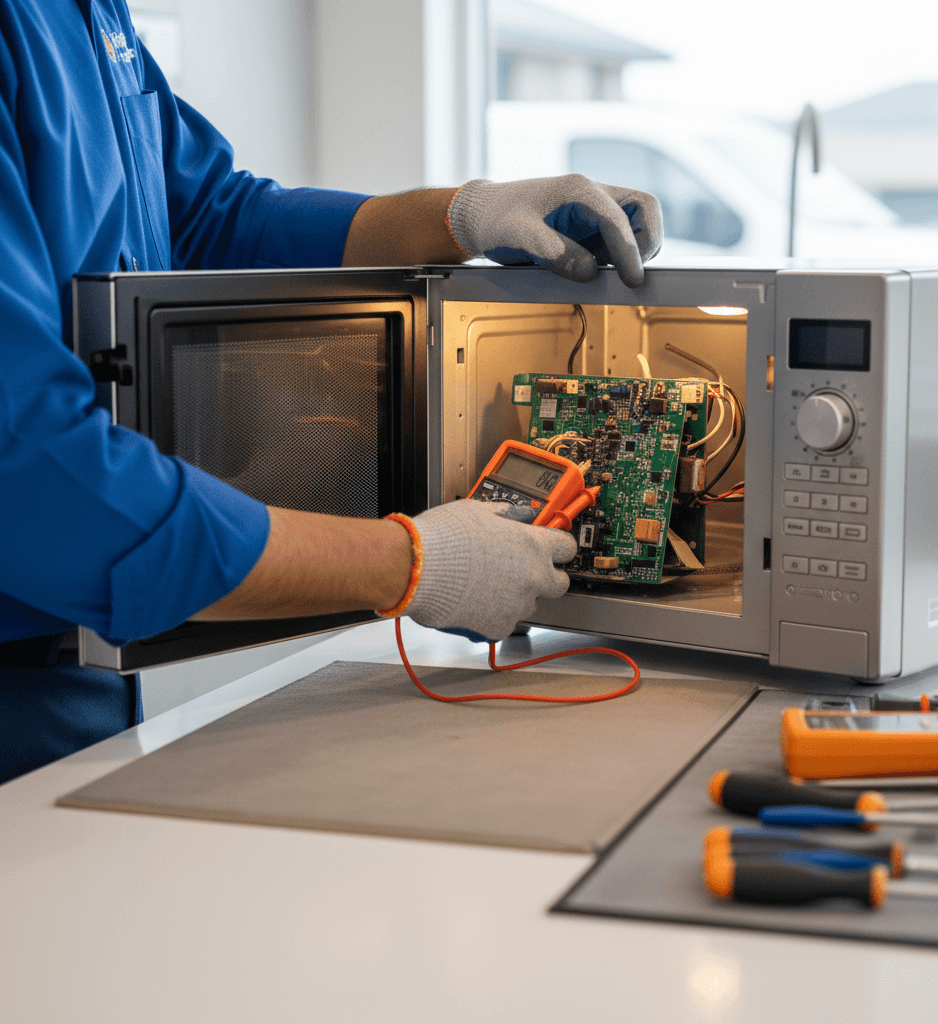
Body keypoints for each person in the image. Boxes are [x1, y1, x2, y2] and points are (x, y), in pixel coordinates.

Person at [0, 0, 663, 783]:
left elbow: (216, 220)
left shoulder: (85, 15)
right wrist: (410, 564)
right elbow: (33, 474)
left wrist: (466, 216)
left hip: (82, 667)